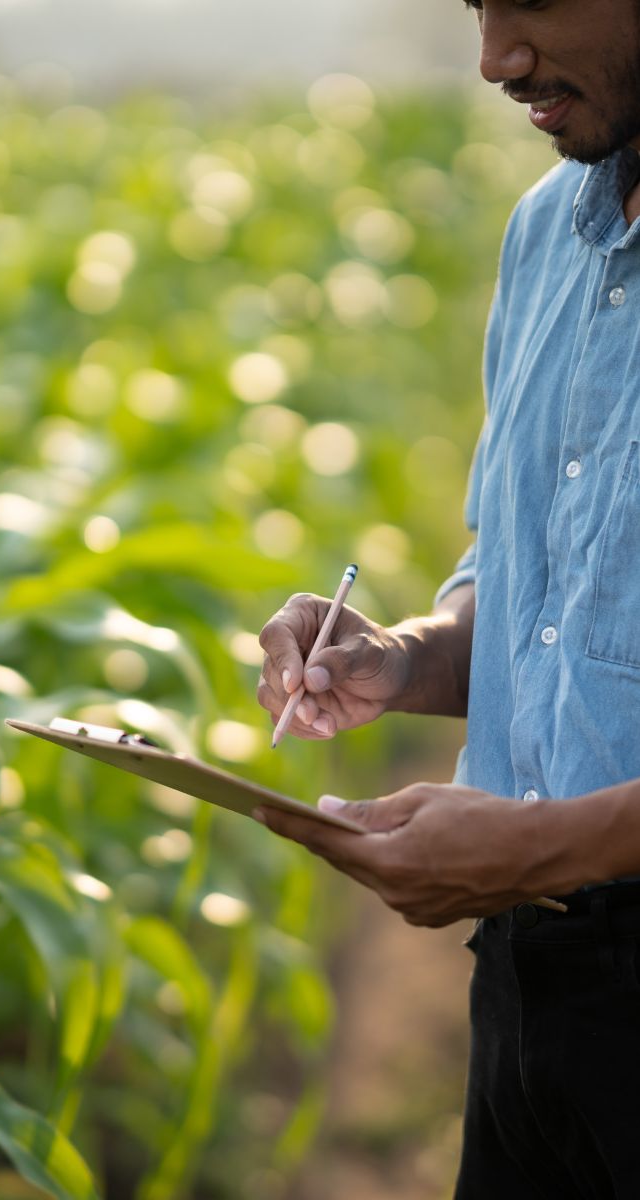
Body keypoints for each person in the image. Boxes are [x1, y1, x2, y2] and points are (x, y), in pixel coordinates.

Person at [255, 1, 640, 1196]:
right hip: (525, 992)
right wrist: (406, 655)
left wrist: (543, 845)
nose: (496, 59)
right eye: (476, 8)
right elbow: (543, 592)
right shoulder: (547, 237)